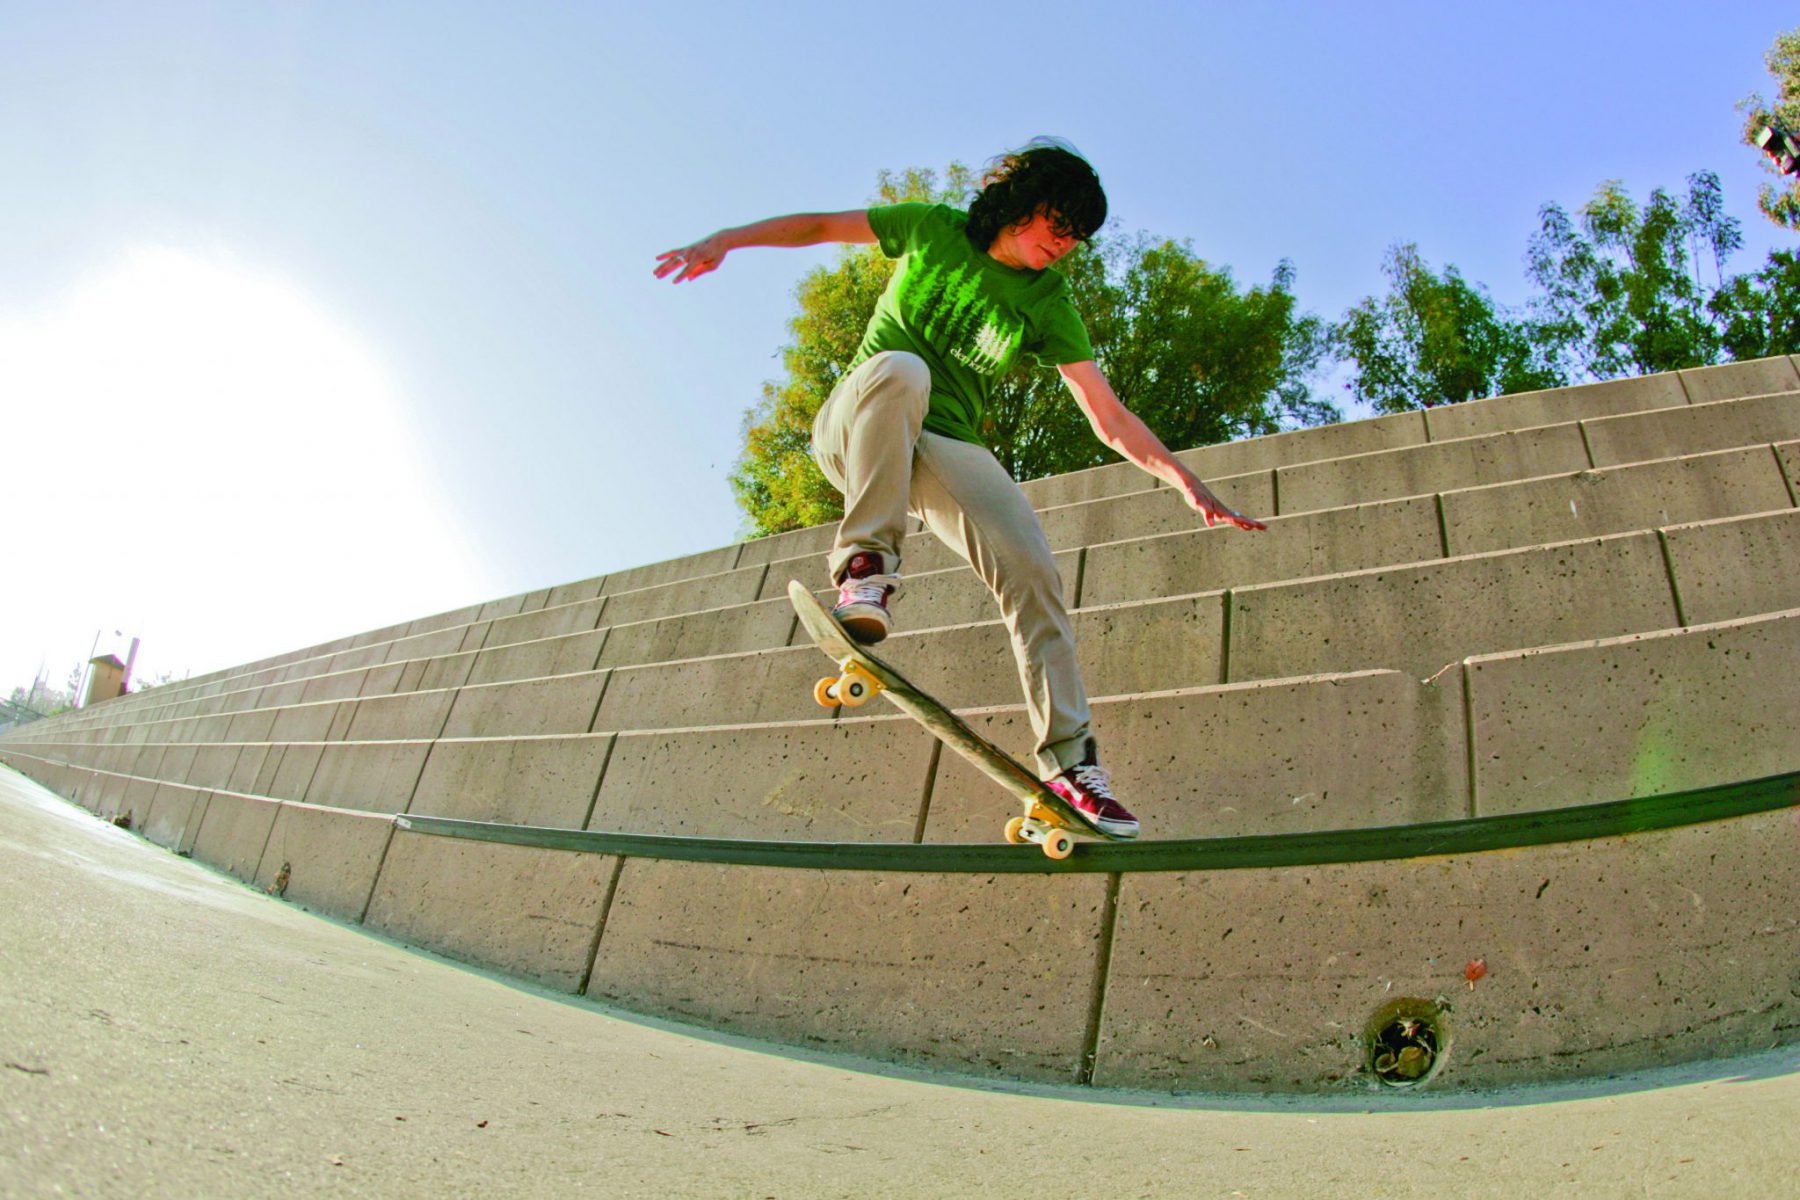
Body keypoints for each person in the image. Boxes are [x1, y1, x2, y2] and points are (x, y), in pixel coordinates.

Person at [655, 139, 1266, 839]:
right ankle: (865, 566)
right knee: (903, 369)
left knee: (1032, 566)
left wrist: (1183, 478)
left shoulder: (1046, 300)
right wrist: (727, 241)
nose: (1063, 247)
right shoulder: (932, 227)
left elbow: (1107, 413)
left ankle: (1072, 764)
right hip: (859, 425)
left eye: (1075, 240)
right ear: (1022, 205)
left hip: (940, 447)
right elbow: (821, 227)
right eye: (1056, 227)